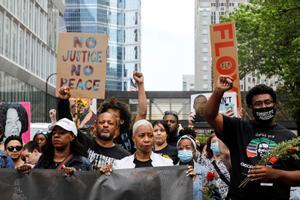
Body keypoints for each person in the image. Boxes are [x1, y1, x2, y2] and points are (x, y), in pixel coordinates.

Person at [204, 75, 300, 199]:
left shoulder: (289, 137)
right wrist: (219, 91)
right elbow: (210, 116)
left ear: (274, 104)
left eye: (268, 102)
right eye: (258, 104)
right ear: (251, 108)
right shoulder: (237, 128)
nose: (264, 106)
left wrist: (277, 174)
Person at [176, 135, 208, 200]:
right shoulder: (172, 171)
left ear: (193, 151)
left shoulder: (203, 171)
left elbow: (210, 194)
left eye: (187, 148)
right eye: (180, 149)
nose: (184, 150)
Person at [202, 134, 231, 199]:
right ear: (210, 146)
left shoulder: (229, 160)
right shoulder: (206, 161)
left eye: (219, 141)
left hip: (228, 196)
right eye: (214, 142)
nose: (217, 144)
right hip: (212, 195)